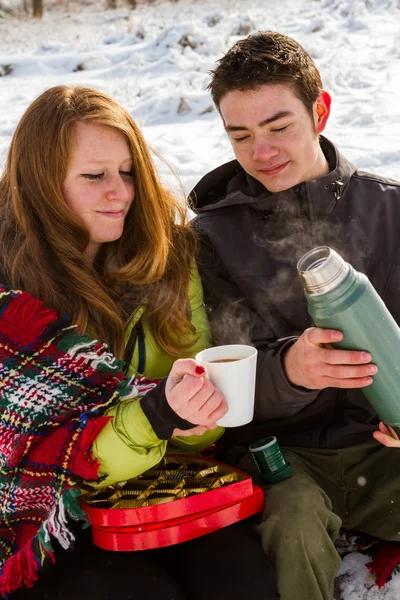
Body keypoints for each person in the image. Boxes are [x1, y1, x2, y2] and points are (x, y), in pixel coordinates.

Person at [0, 85, 277, 600]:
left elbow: (186, 413)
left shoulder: (165, 256)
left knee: (241, 576)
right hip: (48, 516)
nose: (122, 192)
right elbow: (26, 462)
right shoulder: (8, 298)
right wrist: (155, 416)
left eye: (128, 172)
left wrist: (195, 415)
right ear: (40, 184)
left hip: (160, 488)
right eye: (94, 176)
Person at [190, 31, 400, 600]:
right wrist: (290, 372)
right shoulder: (209, 242)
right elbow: (213, 381)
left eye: (279, 126)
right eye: (241, 135)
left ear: (320, 110)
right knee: (294, 524)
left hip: (384, 455)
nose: (262, 152)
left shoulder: (390, 211)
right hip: (283, 462)